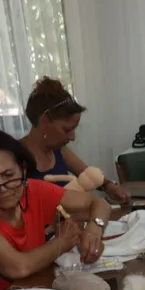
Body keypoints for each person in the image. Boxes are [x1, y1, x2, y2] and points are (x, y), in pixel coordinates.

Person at [0, 129, 109, 290]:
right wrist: (62, 242)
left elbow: (99, 203)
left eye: (8, 175)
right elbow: (18, 267)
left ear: (23, 169)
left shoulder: (32, 189)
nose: (2, 188)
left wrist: (94, 230)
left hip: (40, 288)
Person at [19, 76, 131, 204]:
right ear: (44, 121)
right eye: (67, 130)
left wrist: (109, 186)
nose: (72, 137)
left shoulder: (59, 150)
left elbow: (88, 174)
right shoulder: (14, 157)